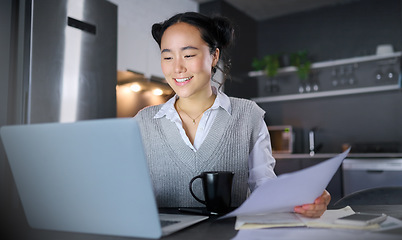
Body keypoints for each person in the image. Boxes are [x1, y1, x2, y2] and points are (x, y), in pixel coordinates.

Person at [134, 12, 330, 218]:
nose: (177, 68)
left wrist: (303, 198)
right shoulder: (142, 122)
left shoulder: (248, 115)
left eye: (189, 55)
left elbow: (264, 186)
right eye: (167, 57)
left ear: (214, 56)